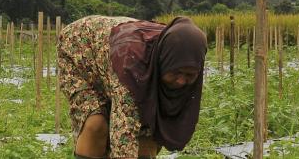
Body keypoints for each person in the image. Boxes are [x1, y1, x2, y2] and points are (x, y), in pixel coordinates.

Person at [57, 15, 207, 159]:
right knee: (96, 124)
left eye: (189, 75)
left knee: (147, 132)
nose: (181, 81)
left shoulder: (175, 53)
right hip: (80, 52)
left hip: (111, 61)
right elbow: (124, 132)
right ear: (164, 61)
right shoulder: (132, 65)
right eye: (176, 72)